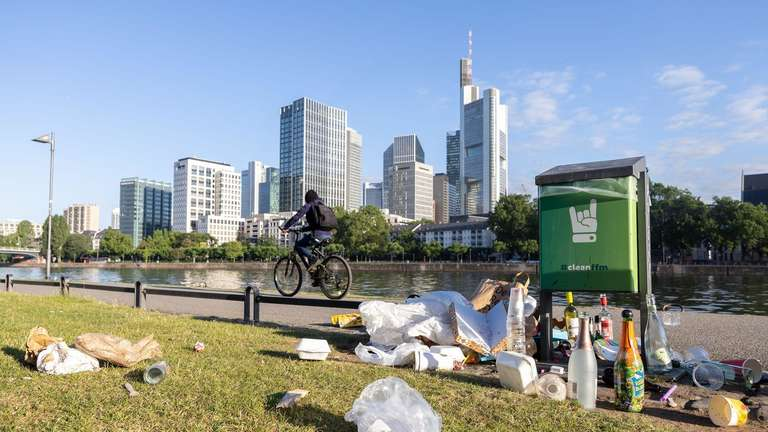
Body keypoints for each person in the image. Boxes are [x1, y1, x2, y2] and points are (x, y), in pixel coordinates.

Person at [280, 190, 336, 284]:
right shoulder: (323, 207)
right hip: (329, 235)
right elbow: (315, 226)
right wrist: (302, 229)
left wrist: (286, 227)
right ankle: (318, 278)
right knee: (311, 251)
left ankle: (314, 259)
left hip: (318, 234)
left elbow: (297, 216)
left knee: (299, 246)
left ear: (308, 199)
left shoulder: (310, 205)